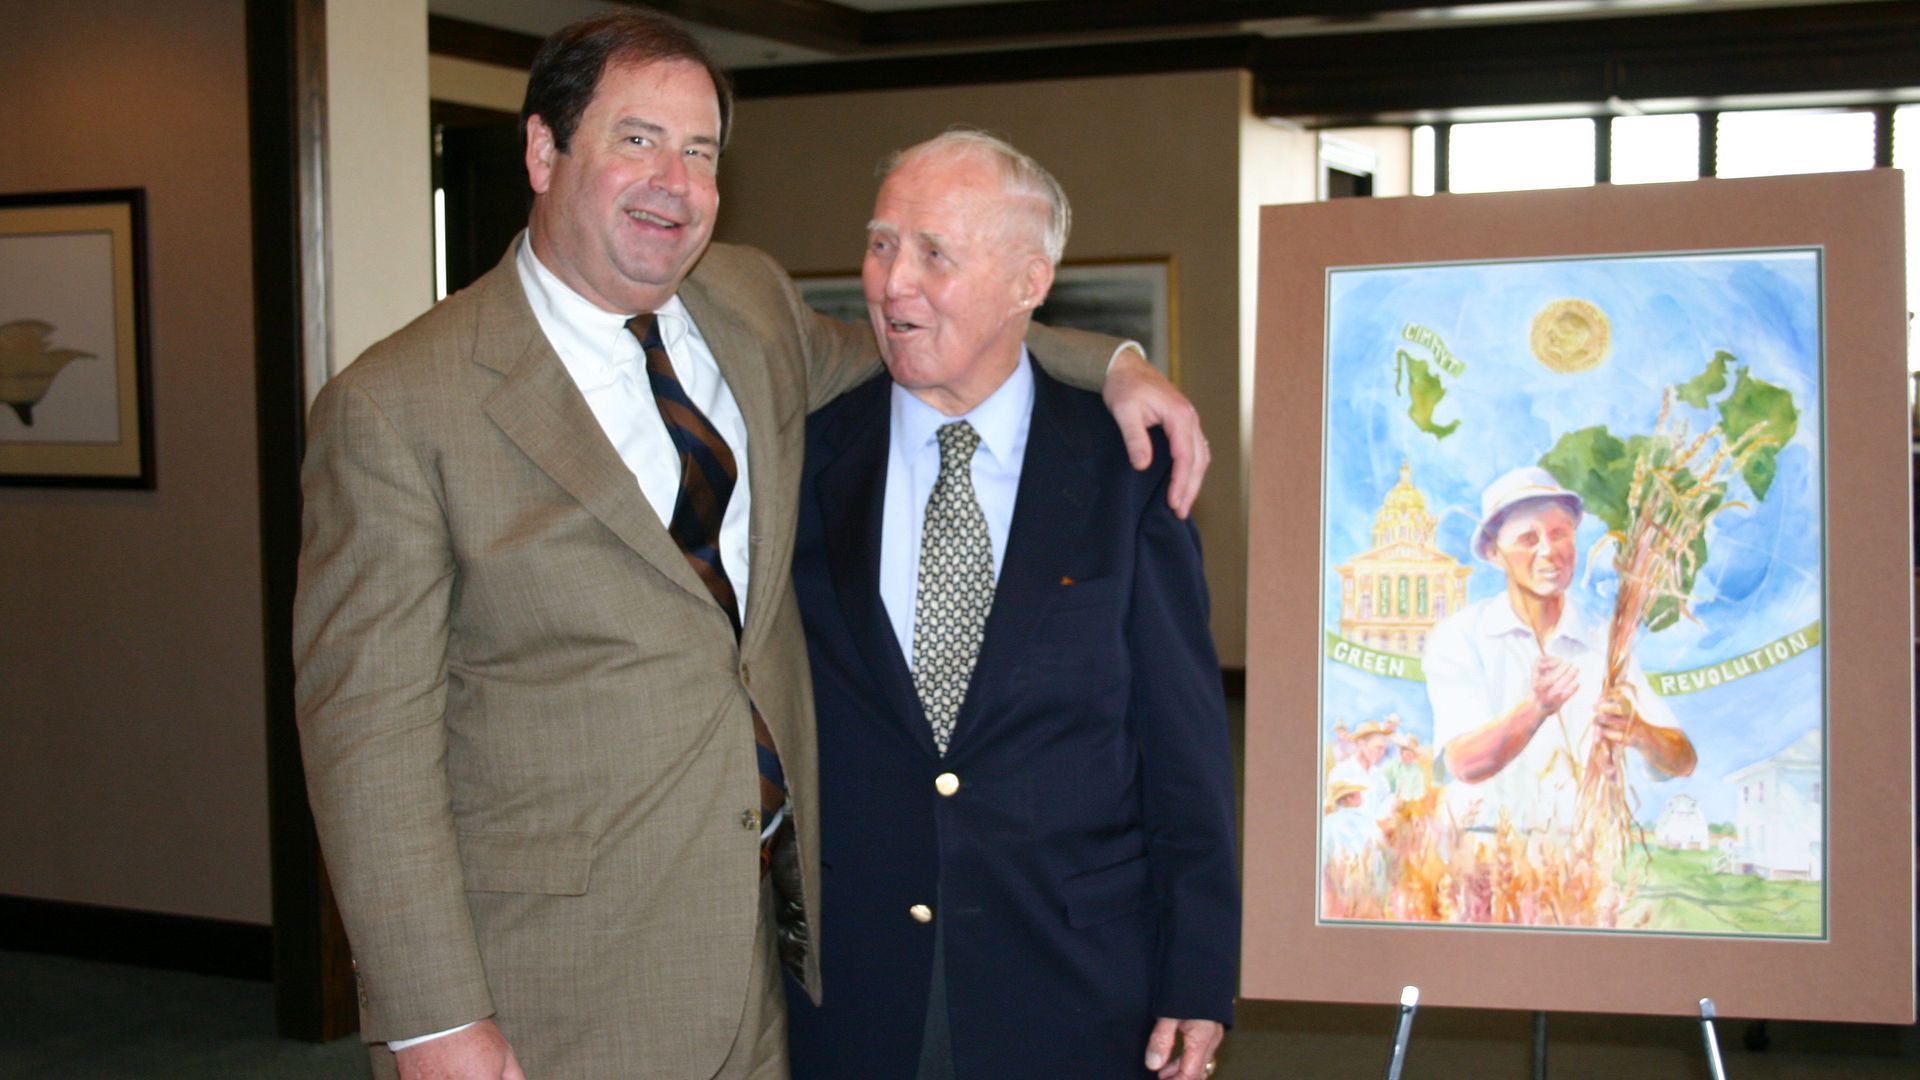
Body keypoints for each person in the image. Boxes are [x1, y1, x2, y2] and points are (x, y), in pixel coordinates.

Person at [291, 13, 1207, 1080]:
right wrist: (433, 1017)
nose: (672, 182)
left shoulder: (747, 305)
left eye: (700, 151)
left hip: (780, 963)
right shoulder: (398, 406)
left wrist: (1115, 365)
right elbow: (367, 744)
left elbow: (933, 332)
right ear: (543, 152)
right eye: (635, 140)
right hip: (560, 983)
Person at [784, 131, 1238, 1080]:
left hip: (1073, 984)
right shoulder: (805, 455)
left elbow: (1184, 751)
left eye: (934, 254)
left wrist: (1199, 973)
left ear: (1030, 283)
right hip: (848, 995)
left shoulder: (1127, 472)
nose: (892, 282)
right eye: (880, 245)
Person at [1423, 466, 1695, 834]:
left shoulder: (1604, 639)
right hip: (1486, 850)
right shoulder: (1461, 636)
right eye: (1527, 539)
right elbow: (1462, 763)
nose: (1549, 551)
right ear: (1494, 553)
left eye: (1559, 534)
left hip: (1584, 857)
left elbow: (1683, 759)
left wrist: (1640, 731)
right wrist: (1537, 708)